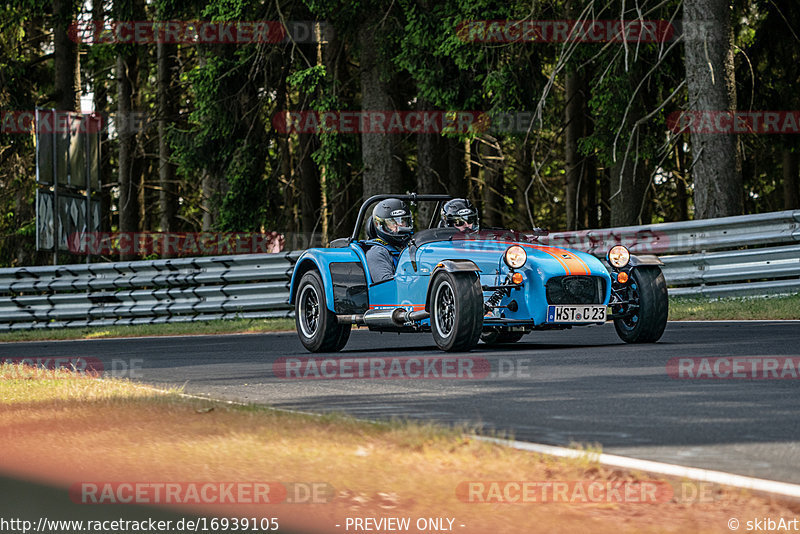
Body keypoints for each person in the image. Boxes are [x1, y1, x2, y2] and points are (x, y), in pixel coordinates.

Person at [365, 198, 414, 283]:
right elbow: (387, 286)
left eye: (402, 220)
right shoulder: (377, 252)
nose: (399, 226)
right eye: (392, 222)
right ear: (381, 225)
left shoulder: (412, 246)